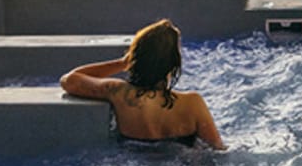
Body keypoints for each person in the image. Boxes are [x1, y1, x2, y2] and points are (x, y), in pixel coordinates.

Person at [59, 18, 226, 149]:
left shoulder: (118, 92)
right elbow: (217, 148)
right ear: (173, 65)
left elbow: (69, 79)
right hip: (180, 165)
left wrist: (122, 63)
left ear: (136, 59)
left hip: (134, 159)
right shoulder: (192, 103)